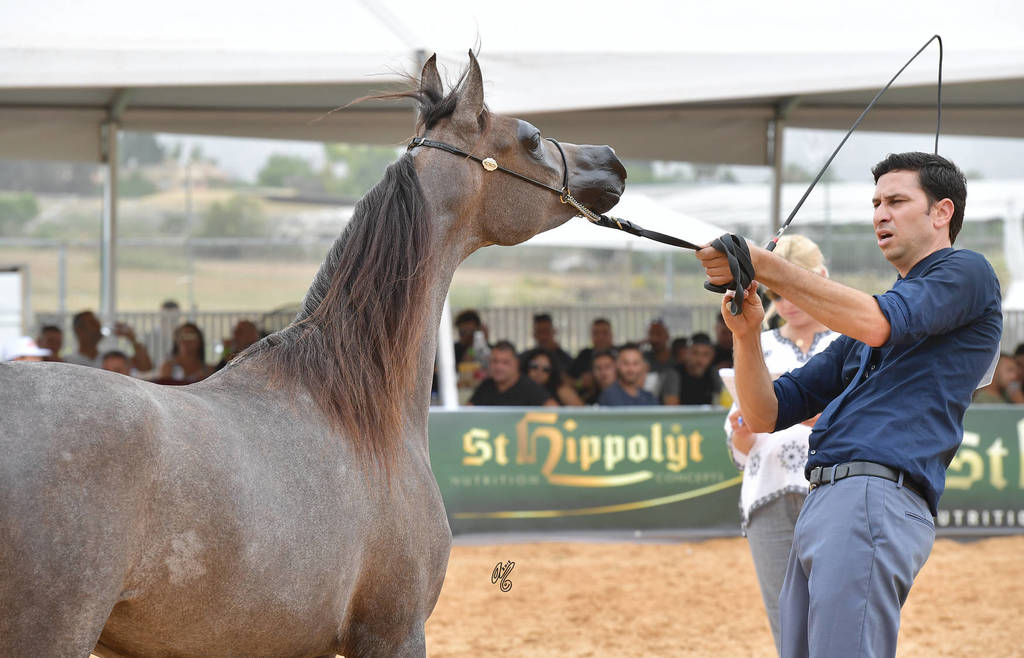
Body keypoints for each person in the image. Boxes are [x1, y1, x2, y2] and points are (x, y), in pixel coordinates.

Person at [697, 152, 1002, 657]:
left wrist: (767, 264)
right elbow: (764, 414)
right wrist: (747, 334)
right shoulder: (869, 325)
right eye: (876, 202)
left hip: (871, 493)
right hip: (832, 496)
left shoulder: (965, 271)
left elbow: (880, 321)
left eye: (897, 201)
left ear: (943, 212)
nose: (880, 213)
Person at [723, 235, 840, 654]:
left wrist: (797, 411)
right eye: (778, 292)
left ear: (821, 279)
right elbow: (740, 447)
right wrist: (742, 429)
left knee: (837, 614)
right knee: (785, 618)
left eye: (796, 287)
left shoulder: (850, 345)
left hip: (836, 491)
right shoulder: (757, 343)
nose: (787, 302)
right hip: (767, 493)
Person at [468, 340, 556, 407]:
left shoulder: (529, 387)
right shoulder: (486, 386)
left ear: (516, 364)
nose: (499, 367)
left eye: (505, 362)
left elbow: (554, 410)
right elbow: (465, 413)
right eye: (495, 361)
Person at [65, 310, 153, 372]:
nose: (98, 326)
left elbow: (145, 367)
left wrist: (132, 338)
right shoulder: (67, 362)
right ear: (79, 330)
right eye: (93, 323)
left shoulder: (112, 357)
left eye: (98, 322)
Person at [568, 318, 614, 400]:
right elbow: (568, 379)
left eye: (604, 333)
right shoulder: (584, 355)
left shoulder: (620, 355)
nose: (600, 337)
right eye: (596, 333)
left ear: (611, 335)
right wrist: (580, 383)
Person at [642, 319, 681, 405]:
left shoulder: (677, 360)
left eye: (659, 334)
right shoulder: (643, 359)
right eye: (652, 334)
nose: (655, 338)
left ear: (667, 336)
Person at [676, 332, 719, 405]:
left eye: (705, 354)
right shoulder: (675, 374)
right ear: (686, 353)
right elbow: (671, 410)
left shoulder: (715, 374)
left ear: (712, 356)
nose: (700, 359)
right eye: (695, 353)